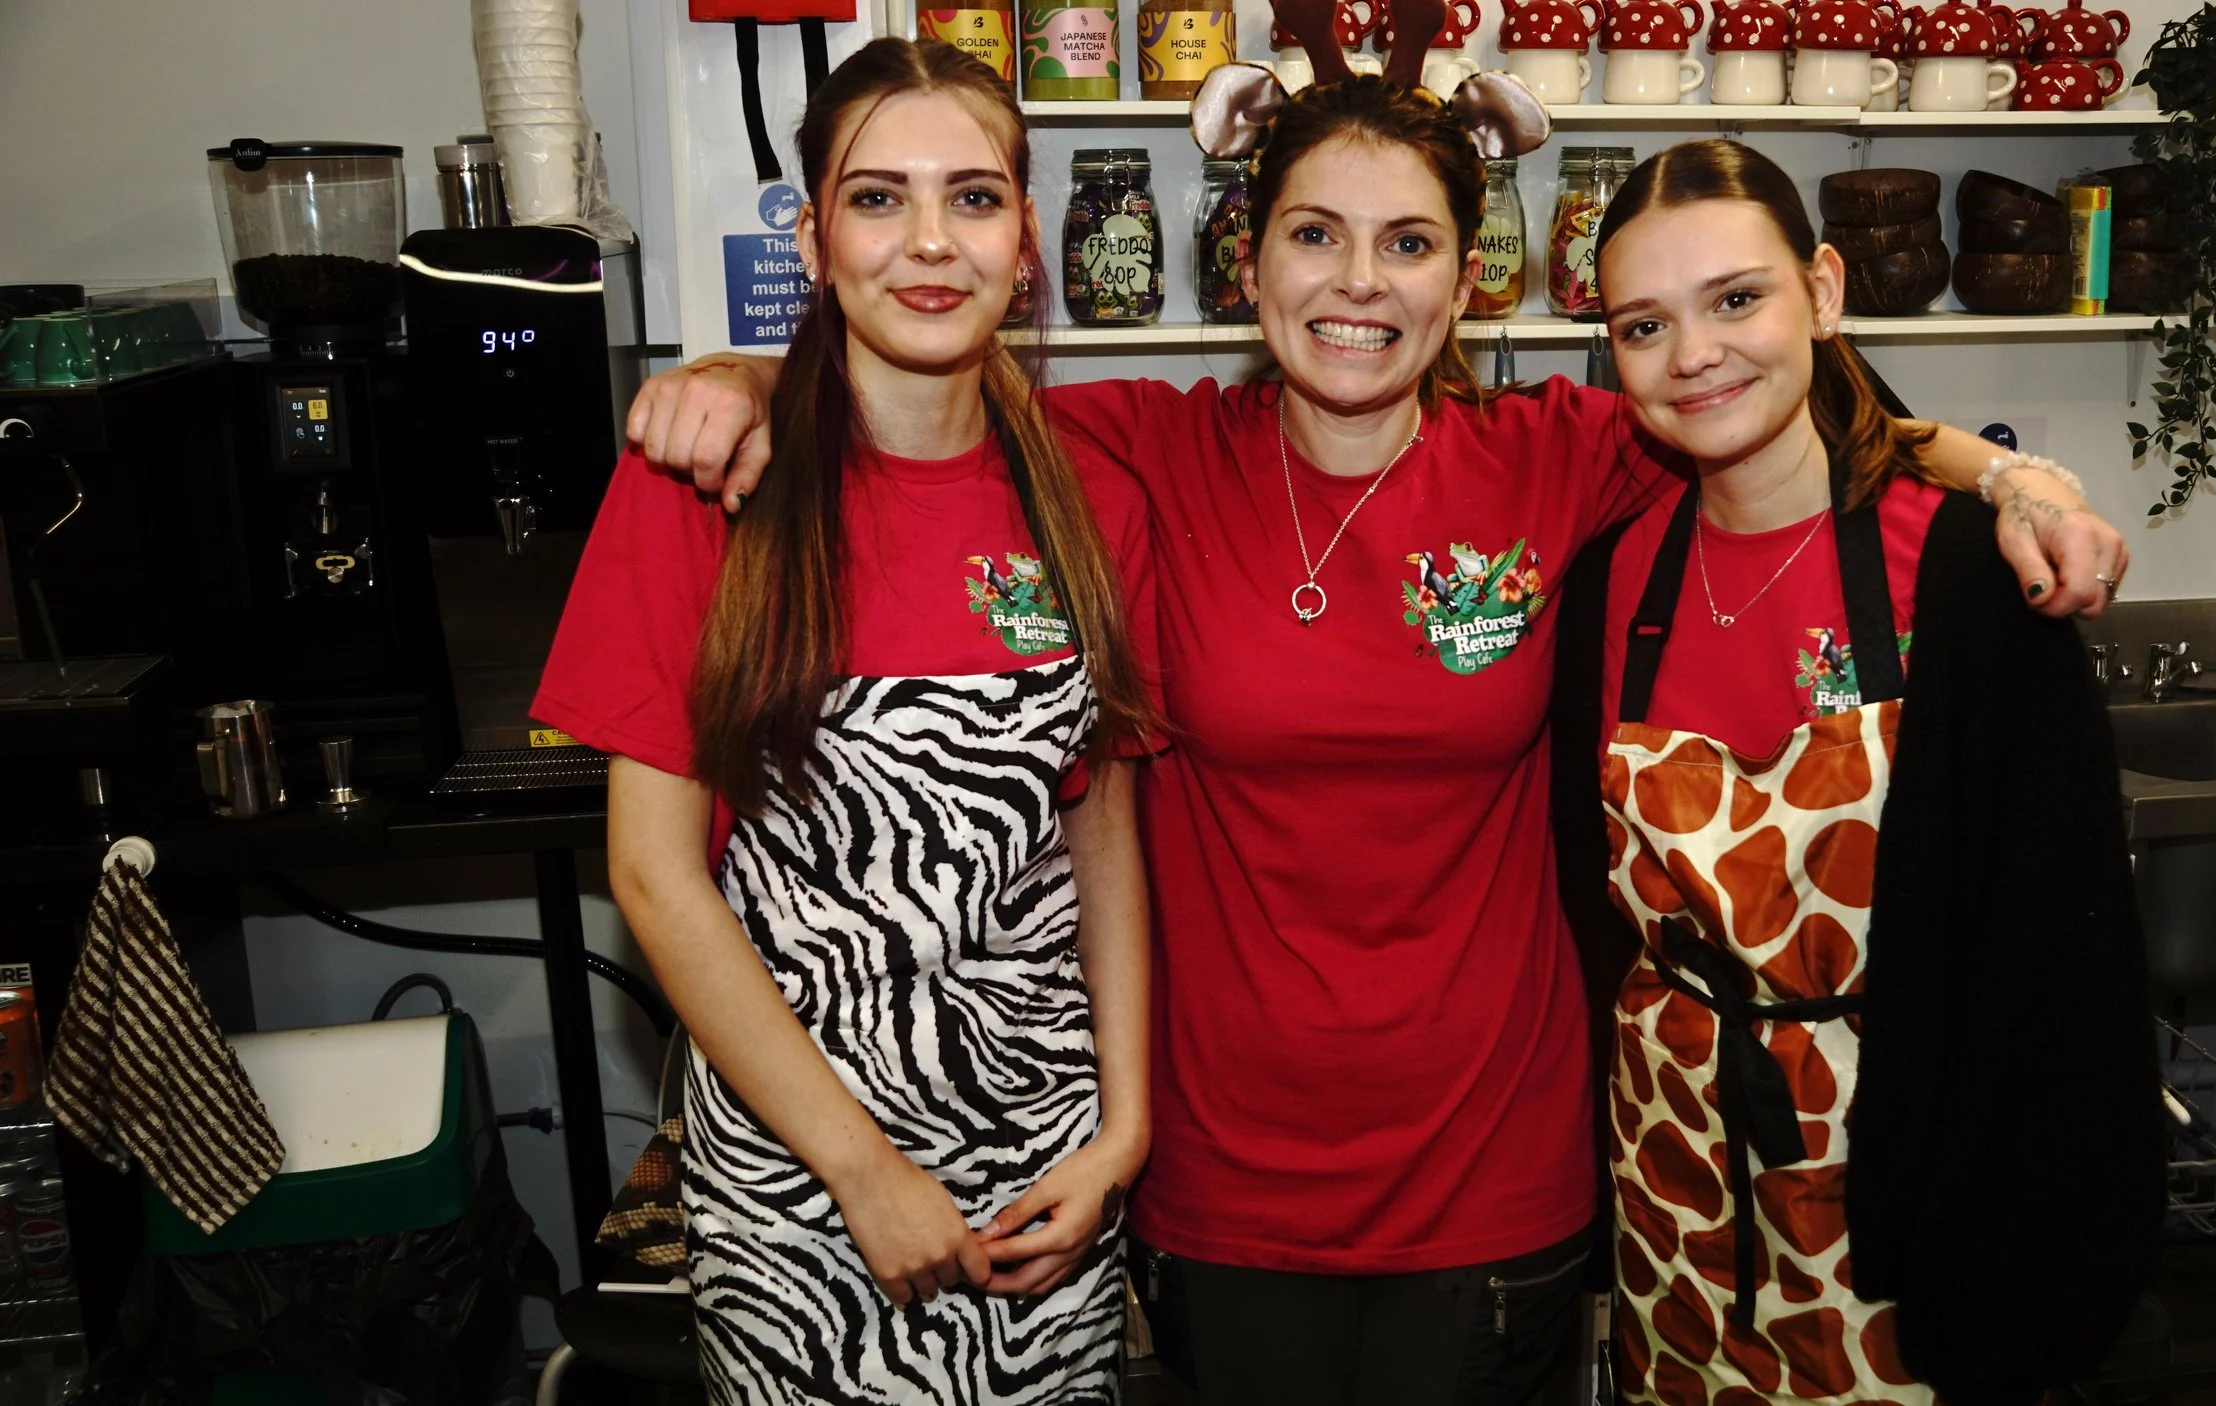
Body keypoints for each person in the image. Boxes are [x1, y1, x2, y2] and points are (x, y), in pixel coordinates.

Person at [617, 10, 2132, 1396]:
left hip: (1496, 1171)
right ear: (1250, 256)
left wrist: (2001, 469)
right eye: (1314, 236)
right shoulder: (1139, 450)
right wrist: (750, 373)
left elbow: (1763, 393)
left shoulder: (1562, 451)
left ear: (1466, 271)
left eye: (1407, 242)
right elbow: (917, 383)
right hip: (1222, 1181)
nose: (1357, 283)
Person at [531, 39, 1164, 1404]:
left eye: (974, 198)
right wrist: (862, 1168)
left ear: (1027, 244)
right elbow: (651, 872)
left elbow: (1100, 825)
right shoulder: (702, 485)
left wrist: (1122, 1128)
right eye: (878, 199)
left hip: (1042, 1180)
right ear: (813, 238)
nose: (929, 243)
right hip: (799, 1178)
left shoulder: (1087, 496)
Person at [1580, 139, 2163, 1406]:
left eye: (1737, 299)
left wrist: (2015, 477)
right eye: (1644, 324)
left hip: (1901, 1193)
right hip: (1666, 1177)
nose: (1694, 356)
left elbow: (2062, 972)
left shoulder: (1964, 575)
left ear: (1825, 293)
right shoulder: (1612, 573)